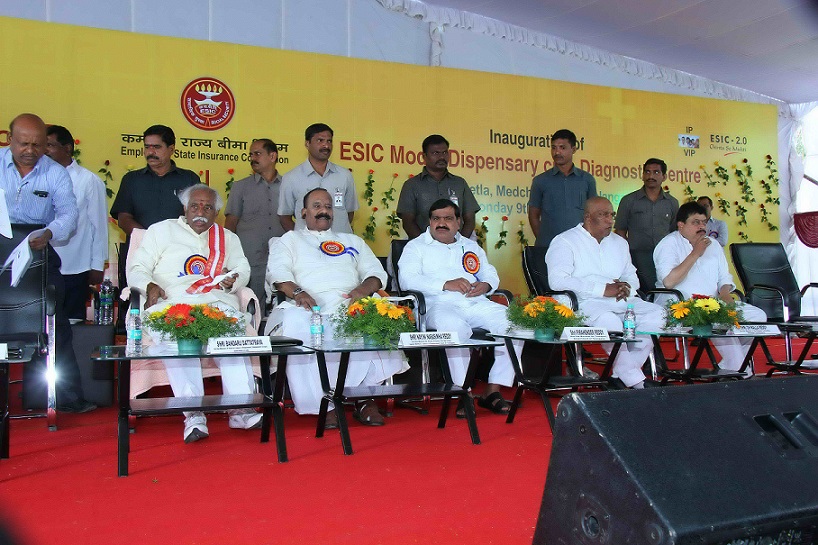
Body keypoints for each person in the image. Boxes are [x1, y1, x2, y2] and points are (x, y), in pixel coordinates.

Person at [127, 184, 261, 443]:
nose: (201, 212)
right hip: (173, 303)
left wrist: (233, 280)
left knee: (232, 336)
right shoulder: (161, 231)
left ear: (216, 212)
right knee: (179, 339)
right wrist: (149, 285)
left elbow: (242, 269)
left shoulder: (227, 238)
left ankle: (241, 409)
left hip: (215, 303)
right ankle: (194, 414)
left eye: (208, 207)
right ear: (185, 208)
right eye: (195, 206)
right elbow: (138, 268)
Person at [266, 188, 404, 426]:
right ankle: (321, 405)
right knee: (295, 324)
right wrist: (298, 292)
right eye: (317, 206)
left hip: (350, 302)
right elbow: (278, 274)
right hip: (308, 305)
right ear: (304, 212)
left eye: (328, 206)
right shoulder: (289, 240)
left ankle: (364, 398)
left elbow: (376, 273)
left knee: (374, 319)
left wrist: (362, 291)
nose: (324, 211)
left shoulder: (352, 240)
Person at [0, 113, 95, 412]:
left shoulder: (55, 173)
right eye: (23, 143)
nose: (30, 150)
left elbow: (68, 215)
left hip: (37, 248)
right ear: (9, 140)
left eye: (38, 145)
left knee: (55, 321)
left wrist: (51, 232)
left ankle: (62, 398)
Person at [397, 199, 522, 414]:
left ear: (458, 222)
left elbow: (489, 273)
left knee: (514, 323)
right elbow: (407, 280)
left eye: (448, 218)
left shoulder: (470, 246)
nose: (441, 223)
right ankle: (465, 393)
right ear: (430, 221)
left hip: (474, 302)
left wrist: (486, 285)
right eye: (436, 218)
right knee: (453, 328)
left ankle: (493, 390)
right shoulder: (416, 246)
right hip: (437, 305)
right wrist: (445, 284)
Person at [546, 197, 665, 389]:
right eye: (603, 215)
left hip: (620, 300)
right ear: (588, 217)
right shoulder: (565, 241)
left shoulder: (620, 243)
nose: (610, 220)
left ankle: (622, 375)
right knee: (610, 321)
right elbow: (557, 280)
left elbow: (632, 276)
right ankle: (636, 382)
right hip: (583, 302)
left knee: (658, 314)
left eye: (612, 215)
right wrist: (602, 289)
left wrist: (626, 286)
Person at [653, 201, 766, 374]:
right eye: (695, 222)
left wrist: (725, 292)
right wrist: (695, 253)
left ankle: (731, 365)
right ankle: (739, 369)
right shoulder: (668, 244)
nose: (701, 226)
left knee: (758, 316)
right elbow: (669, 282)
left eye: (704, 222)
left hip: (714, 303)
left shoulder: (713, 244)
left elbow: (724, 277)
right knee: (718, 319)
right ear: (681, 225)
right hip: (681, 306)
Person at [45, 125, 109, 320]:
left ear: (67, 148)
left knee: (72, 323)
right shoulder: (38, 176)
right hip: (42, 266)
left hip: (75, 266)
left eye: (50, 145)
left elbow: (99, 225)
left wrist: (97, 265)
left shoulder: (88, 180)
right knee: (43, 321)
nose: (44, 150)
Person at [109, 124, 200, 248]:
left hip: (179, 249)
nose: (150, 152)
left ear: (171, 149)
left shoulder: (189, 179)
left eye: (157, 147)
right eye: (147, 147)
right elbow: (123, 218)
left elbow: (198, 216)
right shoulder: (131, 179)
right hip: (140, 248)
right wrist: (148, 238)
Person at [224, 138, 285, 313]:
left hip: (280, 258)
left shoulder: (288, 186)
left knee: (281, 309)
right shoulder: (240, 187)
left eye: (257, 154)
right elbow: (230, 224)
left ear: (272, 156)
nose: (252, 158)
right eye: (251, 154)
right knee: (251, 308)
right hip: (250, 259)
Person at [277, 123, 358, 234]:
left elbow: (349, 213)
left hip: (340, 243)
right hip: (306, 244)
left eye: (329, 141)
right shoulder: (291, 178)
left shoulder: (344, 175)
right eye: (320, 140)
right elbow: (285, 217)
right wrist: (300, 239)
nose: (326, 145)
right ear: (307, 143)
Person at [397, 135, 480, 239]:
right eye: (435, 153)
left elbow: (470, 219)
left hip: (457, 246)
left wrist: (459, 244)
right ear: (424, 156)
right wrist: (426, 245)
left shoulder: (460, 183)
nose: (441, 157)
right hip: (423, 246)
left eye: (445, 152)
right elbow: (408, 223)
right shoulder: (411, 185)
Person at [614, 158, 679, 292]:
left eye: (656, 172)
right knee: (642, 293)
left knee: (665, 291)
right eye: (647, 172)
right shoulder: (629, 200)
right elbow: (620, 231)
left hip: (665, 257)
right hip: (637, 258)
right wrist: (626, 255)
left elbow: (675, 232)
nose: (651, 176)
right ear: (642, 175)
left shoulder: (672, 203)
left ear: (664, 176)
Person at [528, 129, 596, 248]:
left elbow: (593, 213)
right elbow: (533, 214)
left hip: (580, 245)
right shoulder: (540, 181)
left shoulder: (586, 179)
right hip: (549, 245)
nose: (557, 152)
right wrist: (544, 241)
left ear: (573, 149)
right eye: (554, 148)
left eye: (562, 148)